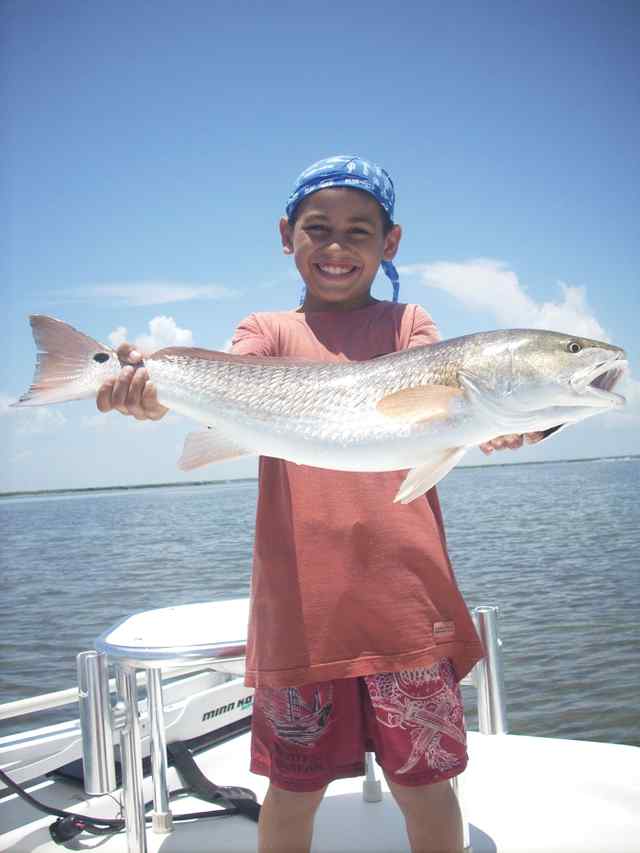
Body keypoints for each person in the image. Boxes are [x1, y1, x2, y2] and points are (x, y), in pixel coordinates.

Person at [97, 155, 545, 853]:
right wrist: (149, 391)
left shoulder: (410, 326)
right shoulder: (267, 331)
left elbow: (462, 406)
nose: (337, 248)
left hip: (407, 606)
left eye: (359, 232)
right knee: (293, 790)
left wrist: (518, 418)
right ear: (287, 235)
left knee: (426, 788)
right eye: (318, 229)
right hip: (301, 615)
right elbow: (223, 379)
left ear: (390, 243)